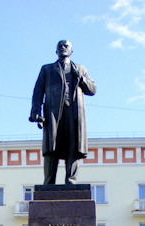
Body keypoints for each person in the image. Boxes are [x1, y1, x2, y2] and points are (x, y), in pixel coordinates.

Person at [30, 40, 96, 185]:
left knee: (73, 146)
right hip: (52, 113)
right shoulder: (47, 69)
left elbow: (92, 90)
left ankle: (71, 181)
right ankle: (49, 182)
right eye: (60, 46)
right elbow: (38, 91)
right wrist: (36, 112)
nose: (63, 48)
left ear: (71, 51)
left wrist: (82, 78)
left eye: (66, 46)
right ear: (56, 51)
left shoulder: (80, 68)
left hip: (74, 114)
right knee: (51, 147)